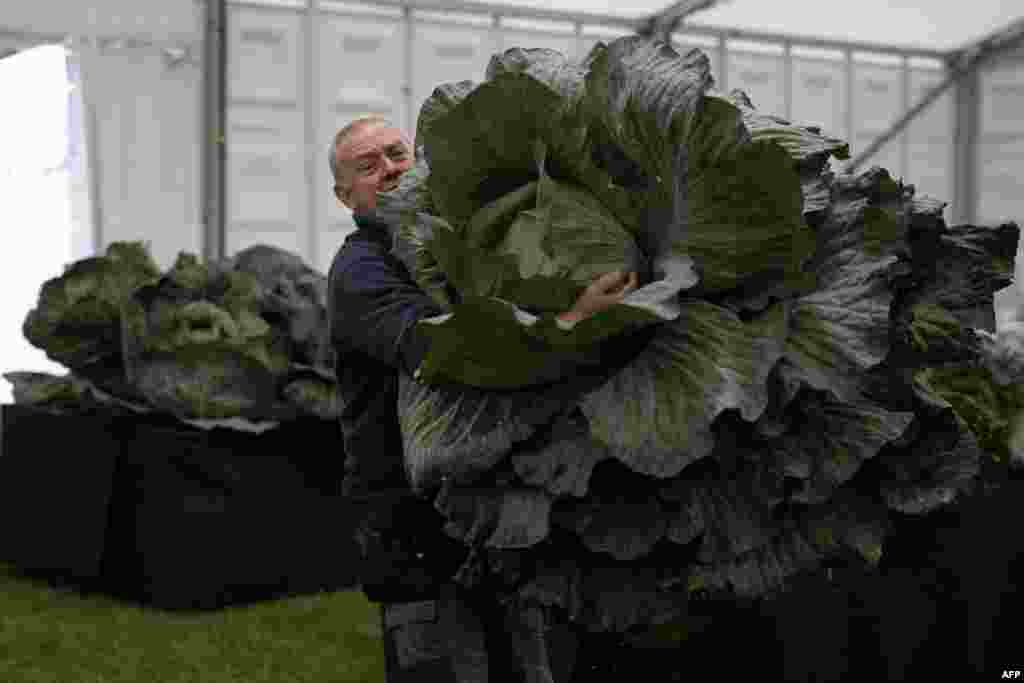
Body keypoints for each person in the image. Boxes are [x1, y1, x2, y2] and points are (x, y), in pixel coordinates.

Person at [326, 115, 638, 682]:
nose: (389, 170)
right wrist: (573, 320)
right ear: (345, 196)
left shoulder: (456, 235)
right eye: (366, 167)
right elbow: (443, 351)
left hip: (503, 505)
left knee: (524, 664)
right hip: (413, 521)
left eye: (396, 154)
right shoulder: (359, 271)